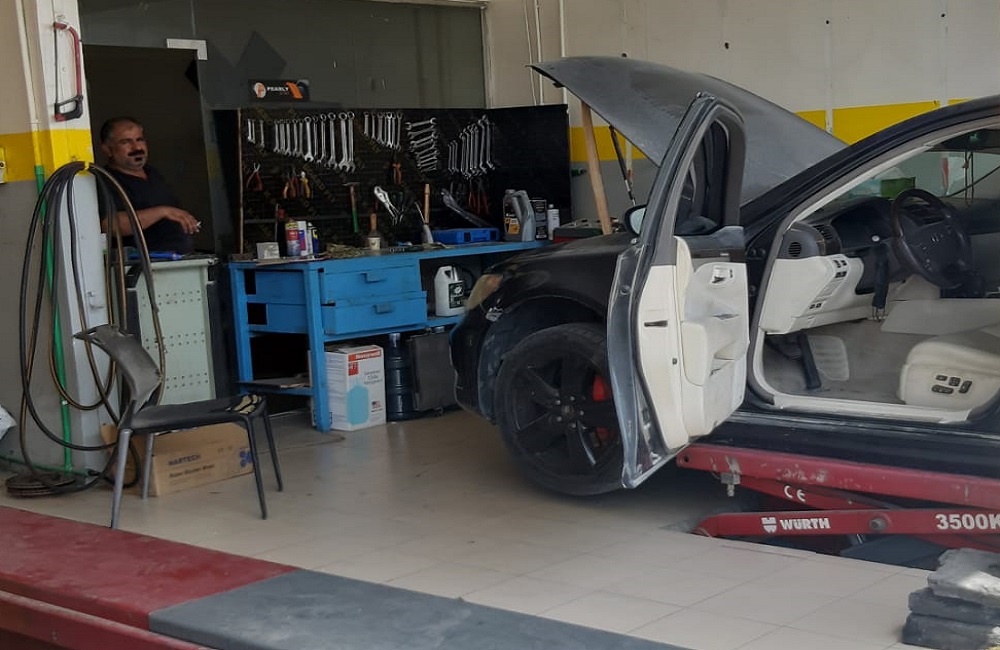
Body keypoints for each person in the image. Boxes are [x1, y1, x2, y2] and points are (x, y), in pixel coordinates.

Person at [99, 116, 200, 254]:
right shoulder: (104, 180)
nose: (136, 147)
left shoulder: (153, 173)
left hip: (180, 259)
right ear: (107, 149)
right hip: (142, 264)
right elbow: (110, 225)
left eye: (139, 140)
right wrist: (162, 212)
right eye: (125, 142)